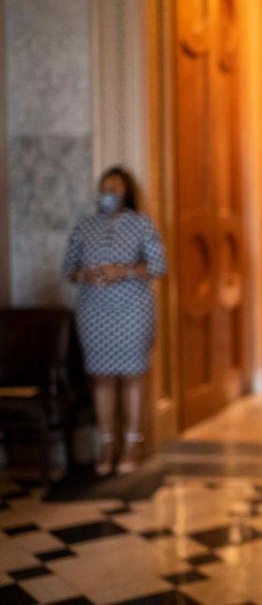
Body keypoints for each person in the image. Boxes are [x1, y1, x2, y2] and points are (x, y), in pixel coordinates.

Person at [63, 166, 167, 476]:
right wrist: (86, 274)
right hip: (94, 310)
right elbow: (68, 268)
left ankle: (132, 443)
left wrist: (123, 271)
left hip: (132, 309)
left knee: (132, 376)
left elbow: (158, 266)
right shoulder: (85, 227)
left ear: (127, 192)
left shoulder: (142, 225)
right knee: (102, 377)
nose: (109, 193)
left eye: (116, 188)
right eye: (105, 188)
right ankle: (107, 444)